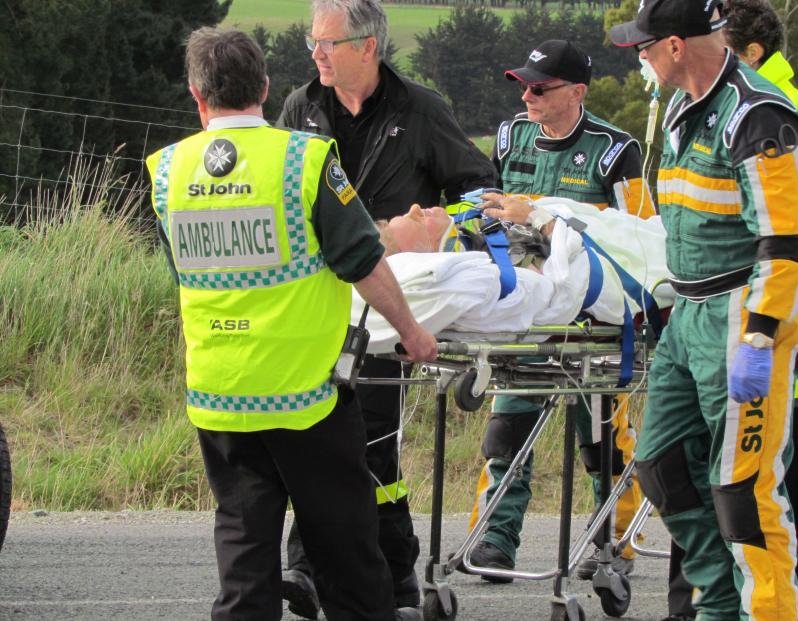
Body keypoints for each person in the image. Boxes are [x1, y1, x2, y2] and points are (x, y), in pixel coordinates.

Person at [145, 27, 436, 621]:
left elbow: (186, 270)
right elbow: (363, 262)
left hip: (221, 397)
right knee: (349, 562)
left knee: (244, 560)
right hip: (306, 398)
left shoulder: (167, 172)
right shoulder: (304, 161)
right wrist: (411, 331)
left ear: (197, 96)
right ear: (266, 86)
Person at [275, 0, 497, 615]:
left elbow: (479, 188)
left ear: (367, 46)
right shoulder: (301, 110)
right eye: (311, 43)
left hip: (389, 302)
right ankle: (392, 574)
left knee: (365, 439)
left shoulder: (420, 110)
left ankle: (312, 567)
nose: (316, 54)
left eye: (326, 42)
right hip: (315, 301)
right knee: (327, 435)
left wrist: (435, 233)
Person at [661, 2, 798, 620]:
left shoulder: (767, 105)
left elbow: (781, 232)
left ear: (749, 51)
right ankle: (720, 600)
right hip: (779, 296)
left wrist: (760, 327)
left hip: (789, 299)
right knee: (747, 465)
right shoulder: (739, 98)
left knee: (793, 468)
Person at [609, 0, 798, 618]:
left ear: (675, 46)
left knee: (746, 494)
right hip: (688, 313)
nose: (637, 57)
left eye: (643, 45)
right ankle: (719, 604)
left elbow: (784, 244)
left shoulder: (756, 115)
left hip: (740, 316)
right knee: (661, 468)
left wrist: (760, 337)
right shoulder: (677, 107)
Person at [463, 39, 655, 583]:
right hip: (526, 309)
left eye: (540, 88)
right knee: (507, 431)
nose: (527, 95)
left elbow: (640, 237)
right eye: (522, 84)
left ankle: (616, 539)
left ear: (577, 92)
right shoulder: (509, 136)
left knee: (600, 438)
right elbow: (486, 212)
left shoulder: (616, 150)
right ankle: (493, 542)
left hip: (594, 321)